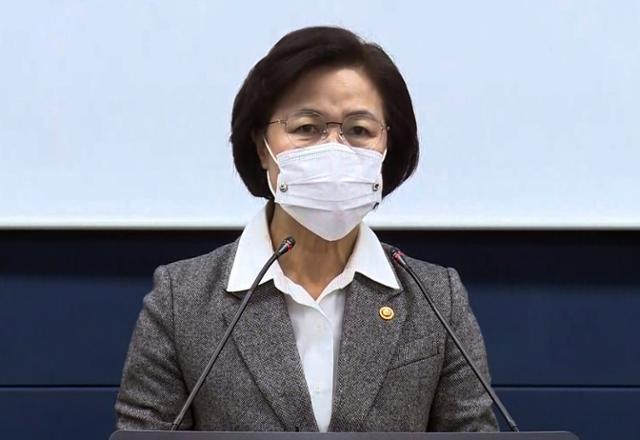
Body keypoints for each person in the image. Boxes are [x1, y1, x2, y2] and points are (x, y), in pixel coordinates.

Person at [115, 26, 497, 432]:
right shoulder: (182, 301)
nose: (333, 148)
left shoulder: (436, 299)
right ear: (262, 147)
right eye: (306, 128)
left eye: (359, 130)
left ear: (387, 148)